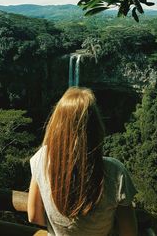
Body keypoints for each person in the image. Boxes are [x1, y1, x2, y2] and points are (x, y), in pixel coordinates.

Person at [27, 87, 138, 236]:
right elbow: (129, 232)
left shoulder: (41, 158)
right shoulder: (115, 172)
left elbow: (34, 215)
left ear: (56, 125)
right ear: (96, 127)